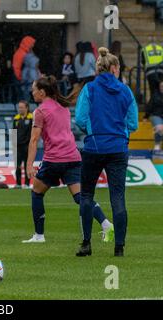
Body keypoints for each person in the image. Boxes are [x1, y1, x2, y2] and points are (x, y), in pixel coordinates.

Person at [22, 75, 114, 244]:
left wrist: (29, 165)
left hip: (54, 159)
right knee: (80, 197)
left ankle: (39, 236)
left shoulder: (40, 111)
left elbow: (34, 140)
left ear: (42, 92)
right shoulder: (63, 107)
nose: (32, 91)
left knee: (36, 193)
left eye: (34, 89)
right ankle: (106, 224)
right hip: (73, 157)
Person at [75, 47, 138, 257]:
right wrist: (121, 134)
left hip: (94, 147)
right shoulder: (125, 91)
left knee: (86, 195)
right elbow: (133, 123)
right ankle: (119, 247)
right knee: (118, 198)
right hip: (118, 148)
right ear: (113, 68)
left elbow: (81, 119)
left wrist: (95, 132)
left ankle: (86, 244)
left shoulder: (89, 89)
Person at [13, 100, 32, 189]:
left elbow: (31, 134)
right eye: (19, 107)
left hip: (27, 146)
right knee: (17, 166)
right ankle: (18, 183)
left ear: (27, 108)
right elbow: (13, 132)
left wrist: (26, 142)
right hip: (17, 147)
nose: (20, 109)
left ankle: (27, 184)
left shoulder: (31, 118)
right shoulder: (16, 118)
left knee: (26, 165)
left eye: (21, 107)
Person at [12, 36, 38, 101]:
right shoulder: (20, 53)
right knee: (23, 96)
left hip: (27, 79)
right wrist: (21, 78)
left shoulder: (28, 52)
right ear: (28, 43)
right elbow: (16, 68)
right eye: (32, 43)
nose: (33, 45)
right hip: (23, 80)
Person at [144, 81, 163, 150]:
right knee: (159, 127)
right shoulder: (155, 95)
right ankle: (157, 145)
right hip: (156, 115)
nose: (162, 87)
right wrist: (146, 116)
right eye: (161, 86)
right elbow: (150, 106)